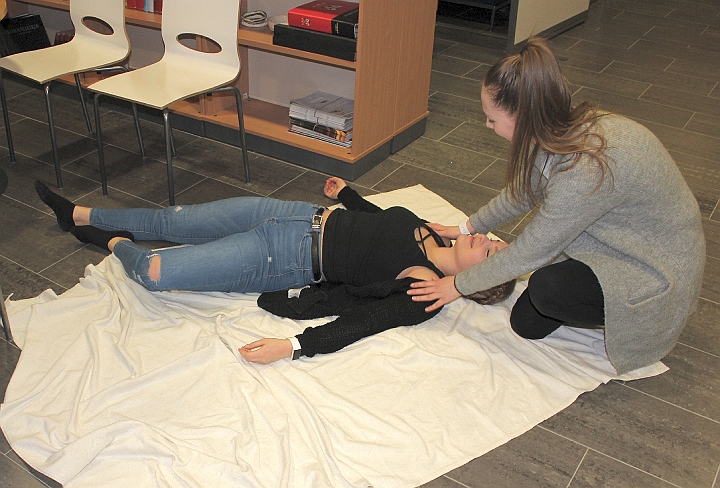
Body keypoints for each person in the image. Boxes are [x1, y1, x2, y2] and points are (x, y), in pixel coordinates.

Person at [407, 36, 705, 375]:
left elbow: (531, 251)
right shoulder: (556, 130)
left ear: (522, 117)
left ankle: (634, 314)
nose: (487, 126)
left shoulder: (587, 170)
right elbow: (523, 194)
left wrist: (456, 285)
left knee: (547, 289)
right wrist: (467, 226)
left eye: (491, 119)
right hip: (621, 240)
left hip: (653, 267)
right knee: (526, 324)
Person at [35, 177, 515, 364]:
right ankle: (78, 213)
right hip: (292, 213)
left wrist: (292, 346)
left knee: (155, 273)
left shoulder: (425, 290)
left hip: (281, 258)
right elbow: (377, 220)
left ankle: (108, 240)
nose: (486, 240)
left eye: (491, 254)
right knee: (172, 220)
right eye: (494, 241)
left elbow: (362, 323)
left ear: (478, 283)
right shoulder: (433, 230)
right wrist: (347, 194)